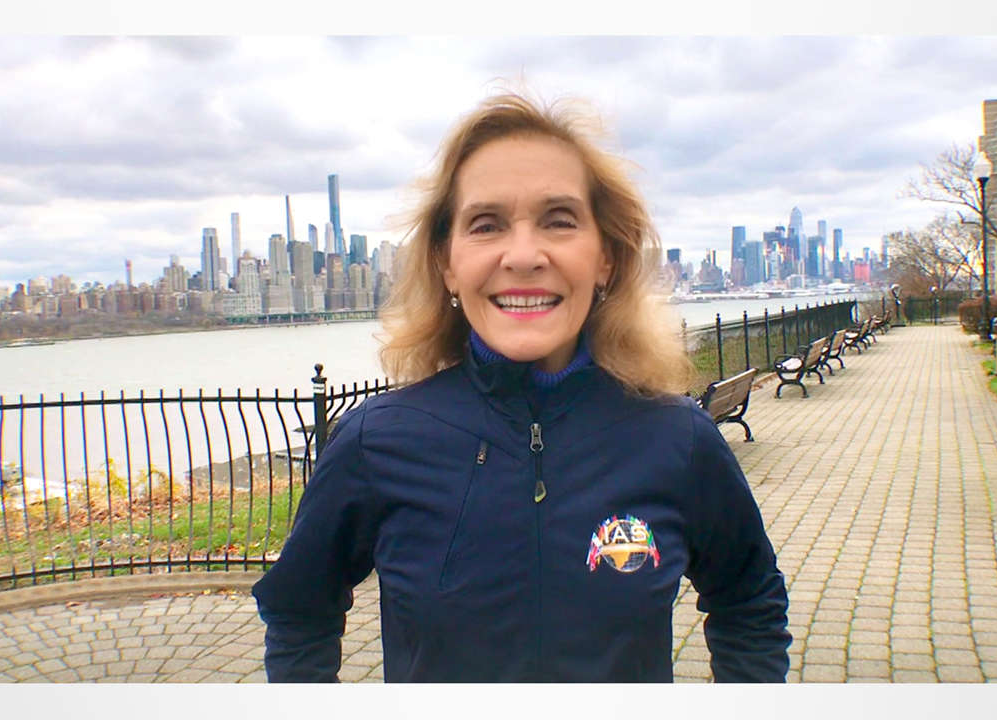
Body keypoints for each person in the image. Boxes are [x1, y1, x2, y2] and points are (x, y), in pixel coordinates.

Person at [251, 92, 791, 683]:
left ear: (606, 257)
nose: (525, 256)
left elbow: (749, 600)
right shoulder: (375, 441)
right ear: (447, 263)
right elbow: (299, 612)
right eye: (486, 225)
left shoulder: (677, 438)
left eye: (559, 221)